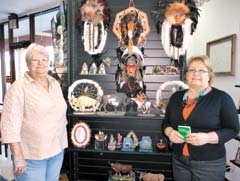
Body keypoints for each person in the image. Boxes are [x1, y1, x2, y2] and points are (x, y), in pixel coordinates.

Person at [162, 55, 239, 181]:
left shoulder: (222, 98)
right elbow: (166, 123)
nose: (196, 73)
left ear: (209, 76)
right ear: (186, 75)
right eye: (192, 70)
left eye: (202, 70)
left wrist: (207, 137)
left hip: (209, 164)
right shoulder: (176, 97)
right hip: (179, 160)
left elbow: (233, 130)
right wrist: (170, 132)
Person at [0, 43, 68, 181]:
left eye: (44, 60)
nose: (40, 64)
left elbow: (60, 114)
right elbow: (9, 125)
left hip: (56, 150)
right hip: (32, 155)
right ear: (27, 63)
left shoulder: (54, 84)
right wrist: (18, 157)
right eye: (35, 60)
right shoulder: (18, 88)